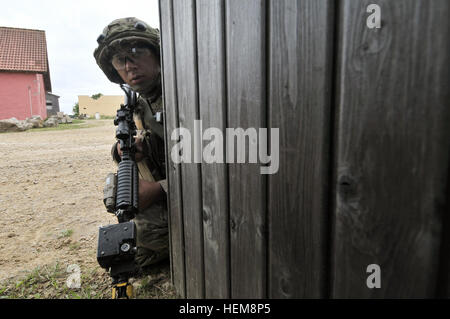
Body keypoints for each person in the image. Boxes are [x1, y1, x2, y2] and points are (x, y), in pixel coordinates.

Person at [93, 17, 168, 272]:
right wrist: (125, 149)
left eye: (135, 53)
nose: (129, 66)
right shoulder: (138, 102)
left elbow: (222, 165)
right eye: (119, 60)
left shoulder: (190, 94)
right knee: (128, 253)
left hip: (202, 199)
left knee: (140, 240)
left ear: (158, 55)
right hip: (171, 195)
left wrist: (159, 189)